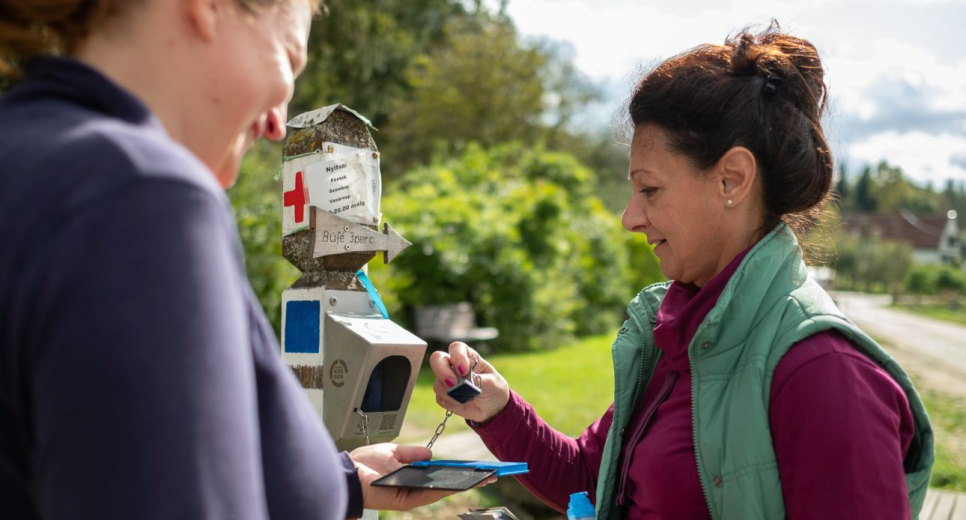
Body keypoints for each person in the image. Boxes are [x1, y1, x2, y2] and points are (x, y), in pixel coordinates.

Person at [431, 25, 934, 520]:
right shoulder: (677, 334)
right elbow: (591, 479)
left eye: (649, 190)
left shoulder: (824, 373)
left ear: (731, 179)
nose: (630, 217)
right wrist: (498, 412)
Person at [0, 1, 461, 519]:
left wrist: (343, 482)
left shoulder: (29, 161)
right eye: (289, 58)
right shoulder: (143, 196)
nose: (275, 124)